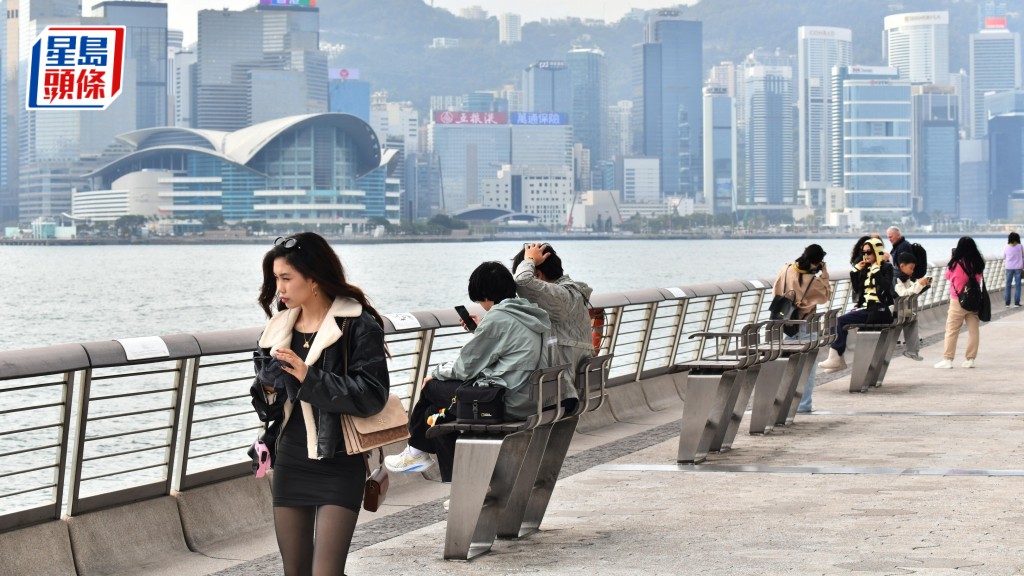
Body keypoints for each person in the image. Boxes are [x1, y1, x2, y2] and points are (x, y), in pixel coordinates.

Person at [251, 232, 390, 576]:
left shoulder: (356, 324)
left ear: (313, 279)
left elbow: (372, 394)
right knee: (294, 571)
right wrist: (268, 387)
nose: (278, 288)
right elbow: (269, 409)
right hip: (291, 459)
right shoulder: (277, 329)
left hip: (340, 461)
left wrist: (307, 377)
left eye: (286, 278)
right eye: (274, 279)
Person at [384, 261, 551, 482]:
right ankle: (454, 480)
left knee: (431, 387)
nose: (481, 305)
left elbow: (465, 367)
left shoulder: (499, 317)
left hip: (504, 401)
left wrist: (436, 374)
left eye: (480, 300)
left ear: (485, 294)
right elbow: (503, 351)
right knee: (436, 416)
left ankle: (416, 452)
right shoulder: (528, 313)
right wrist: (481, 329)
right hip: (528, 397)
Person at [512, 242, 593, 407]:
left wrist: (529, 260)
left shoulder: (559, 297)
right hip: (570, 389)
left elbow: (522, 281)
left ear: (538, 276)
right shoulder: (572, 295)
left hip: (559, 393)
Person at [819, 238, 895, 373]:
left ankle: (836, 357)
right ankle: (837, 359)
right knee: (837, 321)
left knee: (840, 320)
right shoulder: (866, 268)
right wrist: (855, 272)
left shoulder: (887, 267)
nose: (865, 255)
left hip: (880, 311)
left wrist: (876, 271)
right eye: (863, 252)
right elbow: (858, 289)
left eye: (869, 252)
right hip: (868, 310)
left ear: (877, 252)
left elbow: (886, 287)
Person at [772, 244, 832, 413]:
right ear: (818, 262)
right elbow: (825, 296)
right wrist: (825, 274)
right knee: (807, 368)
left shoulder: (786, 268)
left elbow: (775, 290)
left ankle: (782, 401)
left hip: (785, 321)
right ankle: (803, 405)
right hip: (805, 324)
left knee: (787, 365)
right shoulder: (812, 281)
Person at [935, 237, 985, 369]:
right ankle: (970, 359)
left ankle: (948, 359)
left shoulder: (955, 263)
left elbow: (948, 277)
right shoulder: (978, 262)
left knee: (952, 330)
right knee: (974, 331)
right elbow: (978, 278)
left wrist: (952, 258)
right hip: (974, 300)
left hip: (957, 300)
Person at [894, 251, 932, 361]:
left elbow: (912, 290)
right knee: (909, 320)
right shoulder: (896, 278)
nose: (912, 271)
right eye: (911, 268)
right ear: (902, 266)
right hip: (894, 310)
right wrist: (919, 285)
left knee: (912, 318)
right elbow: (903, 294)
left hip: (901, 309)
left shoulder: (905, 277)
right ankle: (911, 350)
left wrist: (924, 286)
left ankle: (912, 351)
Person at [1003, 232, 1023, 307]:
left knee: (1008, 285)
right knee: (1018, 285)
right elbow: (1023, 256)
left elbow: (1004, 256)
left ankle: (1007, 303)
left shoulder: (1006, 246)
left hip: (1009, 267)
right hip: (1018, 267)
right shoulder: (1020, 246)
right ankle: (1016, 303)